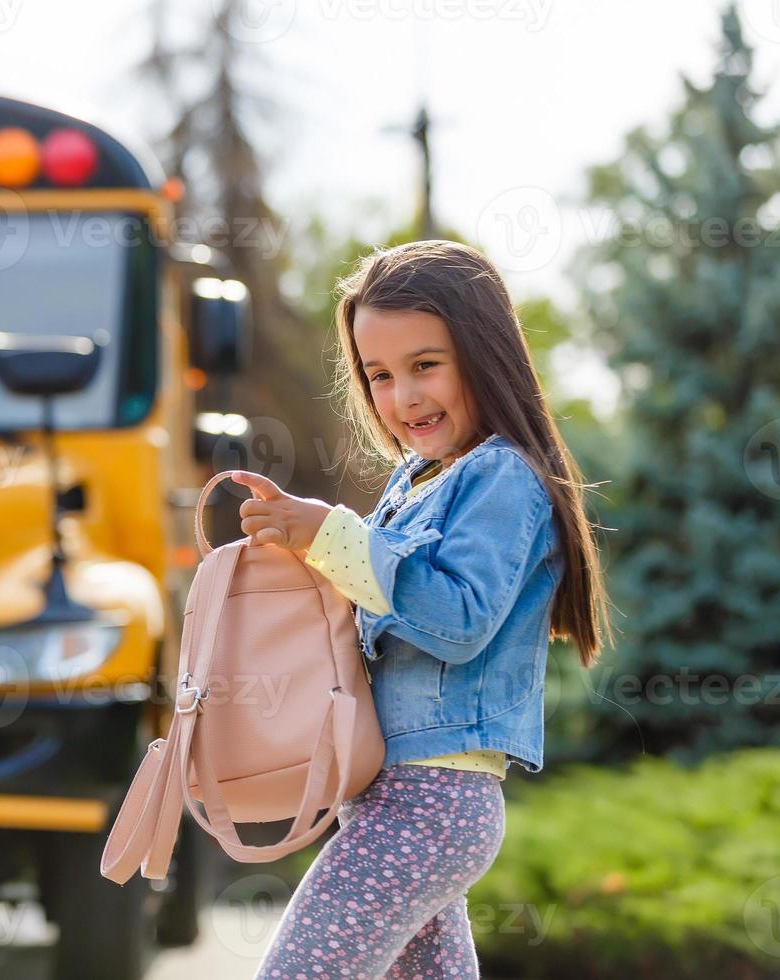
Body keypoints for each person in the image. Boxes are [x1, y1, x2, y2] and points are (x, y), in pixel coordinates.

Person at [229, 240, 613, 979]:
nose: (404, 398)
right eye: (379, 375)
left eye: (425, 366)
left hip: (431, 799)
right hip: (398, 797)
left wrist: (336, 536)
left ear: (484, 353)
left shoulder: (501, 476)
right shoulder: (417, 481)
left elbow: (460, 620)